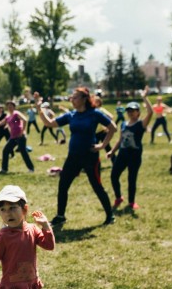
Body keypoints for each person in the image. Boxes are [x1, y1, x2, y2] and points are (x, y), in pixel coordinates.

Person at [37, 88, 117, 226]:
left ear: (84, 98)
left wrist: (102, 146)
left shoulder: (94, 113)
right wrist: (40, 109)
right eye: (71, 97)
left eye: (74, 97)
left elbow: (113, 128)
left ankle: (110, 216)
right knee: (63, 185)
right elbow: (49, 123)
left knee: (97, 186)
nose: (71, 100)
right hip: (73, 157)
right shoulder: (71, 115)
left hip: (90, 157)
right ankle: (60, 216)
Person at [106, 87, 154, 210]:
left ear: (138, 112)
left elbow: (150, 112)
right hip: (122, 154)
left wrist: (144, 97)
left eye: (133, 110)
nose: (130, 112)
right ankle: (118, 197)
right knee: (114, 175)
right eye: (129, 110)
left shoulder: (140, 124)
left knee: (131, 179)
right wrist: (112, 151)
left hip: (135, 156)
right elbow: (120, 140)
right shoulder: (123, 124)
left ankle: (131, 202)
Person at [0, 100, 34, 174]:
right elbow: (0, 124)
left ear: (14, 107)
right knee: (5, 150)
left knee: (23, 152)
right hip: (13, 137)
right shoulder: (8, 116)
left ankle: (31, 169)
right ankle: (4, 169)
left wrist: (22, 131)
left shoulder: (16, 113)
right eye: (8, 106)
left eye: (11, 106)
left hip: (20, 136)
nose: (9, 108)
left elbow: (25, 120)